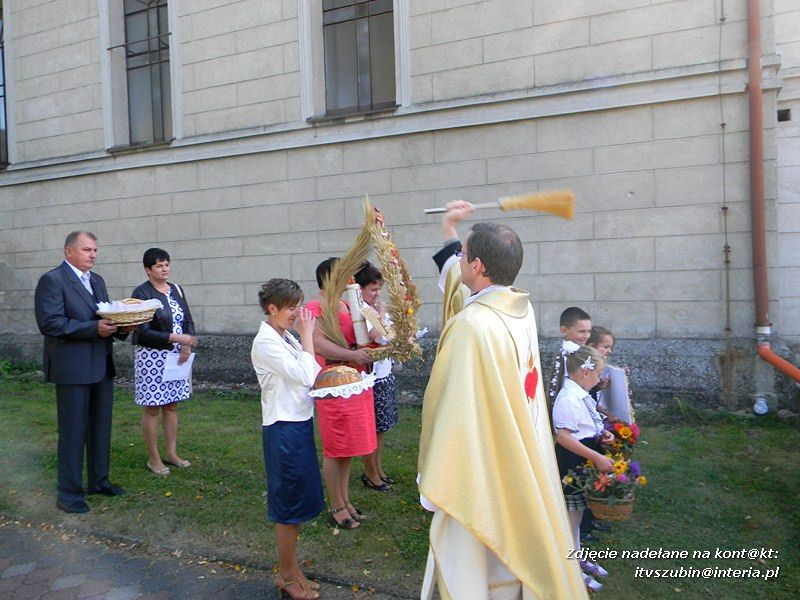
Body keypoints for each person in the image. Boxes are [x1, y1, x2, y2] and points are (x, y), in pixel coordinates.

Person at [418, 202, 587, 599]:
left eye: (463, 255)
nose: (458, 260)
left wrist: (436, 471)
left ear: (476, 266)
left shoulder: (471, 327)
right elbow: (458, 288)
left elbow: (450, 404)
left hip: (481, 455)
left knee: (475, 542)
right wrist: (449, 227)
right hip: (521, 440)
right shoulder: (518, 308)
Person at [34, 231, 129, 513]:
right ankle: (69, 494)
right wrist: (93, 329)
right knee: (74, 431)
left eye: (95, 250)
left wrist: (123, 326)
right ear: (69, 252)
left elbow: (105, 317)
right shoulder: (52, 281)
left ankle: (99, 481)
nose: (93, 255)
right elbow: (50, 323)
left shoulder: (97, 281)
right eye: (87, 250)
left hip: (100, 364)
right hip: (72, 368)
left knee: (101, 427)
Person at [251, 278, 324, 600]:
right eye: (292, 307)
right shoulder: (265, 342)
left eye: (298, 305)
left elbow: (310, 373)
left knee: (297, 501)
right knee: (288, 506)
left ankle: (293, 570)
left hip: (298, 424)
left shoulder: (284, 336)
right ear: (273, 308)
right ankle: (287, 576)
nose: (298, 313)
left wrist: (303, 339)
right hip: (283, 429)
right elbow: (306, 374)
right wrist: (308, 336)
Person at [306, 258, 375, 529]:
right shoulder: (315, 307)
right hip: (332, 383)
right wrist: (351, 354)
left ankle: (345, 500)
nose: (351, 280)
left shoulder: (346, 304)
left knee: (348, 448)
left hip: (353, 381)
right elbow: (317, 344)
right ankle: (336, 505)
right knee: (336, 448)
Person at [130, 248, 198, 476]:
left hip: (178, 356)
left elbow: (187, 319)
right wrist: (177, 338)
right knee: (152, 408)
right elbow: (142, 333)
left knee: (171, 405)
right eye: (159, 266)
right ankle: (154, 458)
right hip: (152, 358)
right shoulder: (141, 293)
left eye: (167, 264)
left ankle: (172, 453)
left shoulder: (177, 289)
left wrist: (187, 345)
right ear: (148, 270)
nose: (165, 269)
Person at [552, 346, 615, 592]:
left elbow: (584, 426)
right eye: (598, 373)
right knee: (569, 521)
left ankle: (575, 558)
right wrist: (596, 457)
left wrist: (602, 433)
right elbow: (564, 438)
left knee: (576, 519)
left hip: (583, 458)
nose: (600, 379)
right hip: (572, 463)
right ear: (585, 372)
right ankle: (568, 571)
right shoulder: (568, 398)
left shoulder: (579, 393)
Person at [354, 261, 398, 490]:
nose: (377, 293)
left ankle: (378, 468)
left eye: (379, 289)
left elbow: (388, 335)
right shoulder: (360, 310)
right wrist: (380, 314)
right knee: (374, 427)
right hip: (372, 376)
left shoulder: (374, 308)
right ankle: (370, 472)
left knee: (383, 428)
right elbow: (372, 336)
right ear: (360, 289)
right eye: (372, 289)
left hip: (385, 372)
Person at [547, 306, 592, 405]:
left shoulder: (583, 352)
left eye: (589, 331)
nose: (586, 336)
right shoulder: (563, 355)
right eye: (581, 331)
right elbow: (555, 386)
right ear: (564, 331)